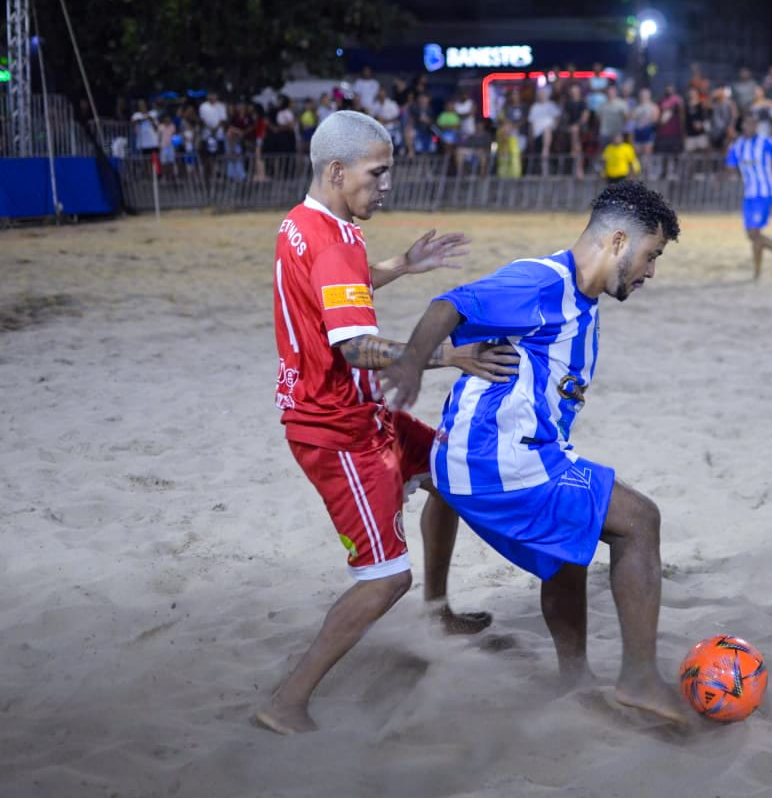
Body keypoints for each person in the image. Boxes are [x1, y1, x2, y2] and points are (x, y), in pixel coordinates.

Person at [380, 180, 688, 725]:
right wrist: (410, 364)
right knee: (639, 520)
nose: (651, 272)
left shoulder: (581, 299)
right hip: (497, 461)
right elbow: (446, 304)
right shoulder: (542, 281)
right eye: (651, 255)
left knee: (569, 542)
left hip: (473, 456)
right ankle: (639, 678)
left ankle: (569, 675)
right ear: (618, 241)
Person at [258, 111, 518, 735]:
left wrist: (401, 264)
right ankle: (286, 702)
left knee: (450, 472)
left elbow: (341, 282)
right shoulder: (332, 238)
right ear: (337, 170)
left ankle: (439, 611)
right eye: (378, 174)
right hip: (337, 431)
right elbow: (355, 348)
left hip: (362, 413)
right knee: (383, 578)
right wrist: (446, 355)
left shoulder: (306, 225)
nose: (387, 185)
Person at [726, 116, 772, 279]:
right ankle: (757, 272)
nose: (751, 125)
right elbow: (730, 168)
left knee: (753, 233)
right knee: (754, 236)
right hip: (749, 195)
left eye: (754, 123)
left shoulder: (767, 142)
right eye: (748, 122)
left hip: (764, 193)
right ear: (743, 124)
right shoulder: (736, 146)